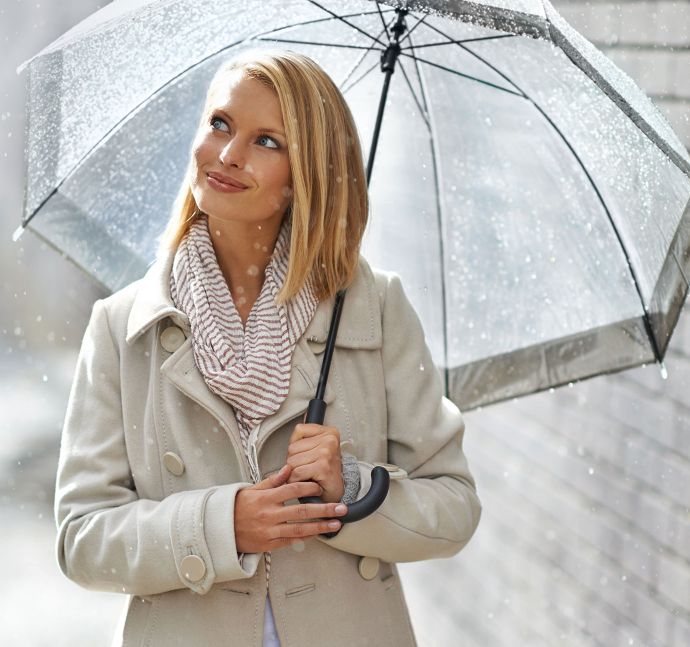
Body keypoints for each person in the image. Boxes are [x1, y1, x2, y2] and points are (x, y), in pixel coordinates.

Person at [54, 49, 481, 646]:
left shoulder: (372, 308)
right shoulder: (124, 325)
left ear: (308, 176)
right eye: (220, 124)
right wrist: (222, 526)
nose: (227, 155)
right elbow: (82, 538)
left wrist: (353, 490)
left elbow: (454, 507)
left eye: (268, 142)